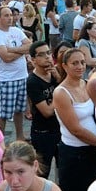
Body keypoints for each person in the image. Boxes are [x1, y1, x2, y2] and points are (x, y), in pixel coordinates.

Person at [53, 48, 96, 191]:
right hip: (74, 153)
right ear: (64, 66)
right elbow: (74, 129)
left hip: (92, 151)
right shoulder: (61, 92)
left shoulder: (86, 85)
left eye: (82, 62)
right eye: (75, 63)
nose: (80, 66)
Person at [0, 6, 32, 140]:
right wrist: (21, 51)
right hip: (8, 79)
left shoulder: (17, 31)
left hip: (22, 76)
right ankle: (0, 140)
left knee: (19, 110)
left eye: (11, 15)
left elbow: (30, 46)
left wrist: (12, 49)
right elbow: (6, 58)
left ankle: (20, 136)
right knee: (4, 113)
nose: (10, 18)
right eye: (6, 15)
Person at [25, 41, 60, 177]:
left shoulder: (55, 74)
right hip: (43, 133)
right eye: (42, 54)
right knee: (42, 175)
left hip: (60, 130)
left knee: (63, 172)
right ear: (33, 60)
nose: (47, 57)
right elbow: (47, 111)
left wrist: (58, 79)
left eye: (48, 53)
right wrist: (60, 91)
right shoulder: (33, 81)